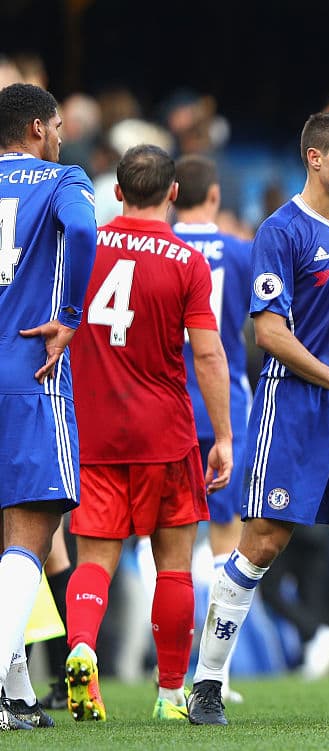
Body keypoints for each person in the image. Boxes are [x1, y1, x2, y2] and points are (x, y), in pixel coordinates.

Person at [186, 110, 329, 726]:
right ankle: (206, 682)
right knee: (261, 543)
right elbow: (270, 333)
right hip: (297, 406)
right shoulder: (280, 232)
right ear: (314, 158)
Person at [64, 144, 232, 722]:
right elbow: (208, 356)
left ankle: (82, 645)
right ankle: (168, 697)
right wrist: (226, 438)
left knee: (94, 561)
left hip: (96, 434)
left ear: (116, 192)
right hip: (166, 434)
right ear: (174, 194)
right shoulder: (186, 261)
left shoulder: (81, 251)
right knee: (175, 566)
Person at [0, 82, 97, 732]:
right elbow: (86, 228)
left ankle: (18, 693)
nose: (62, 134)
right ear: (37, 127)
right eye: (57, 124)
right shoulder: (63, 177)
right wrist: (68, 316)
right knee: (29, 540)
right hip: (28, 373)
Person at [172, 153, 252, 703]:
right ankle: (214, 674)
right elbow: (258, 321)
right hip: (225, 403)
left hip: (168, 402)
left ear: (174, 194)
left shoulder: (160, 246)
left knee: (170, 540)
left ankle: (171, 677)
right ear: (216, 197)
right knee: (227, 539)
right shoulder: (240, 252)